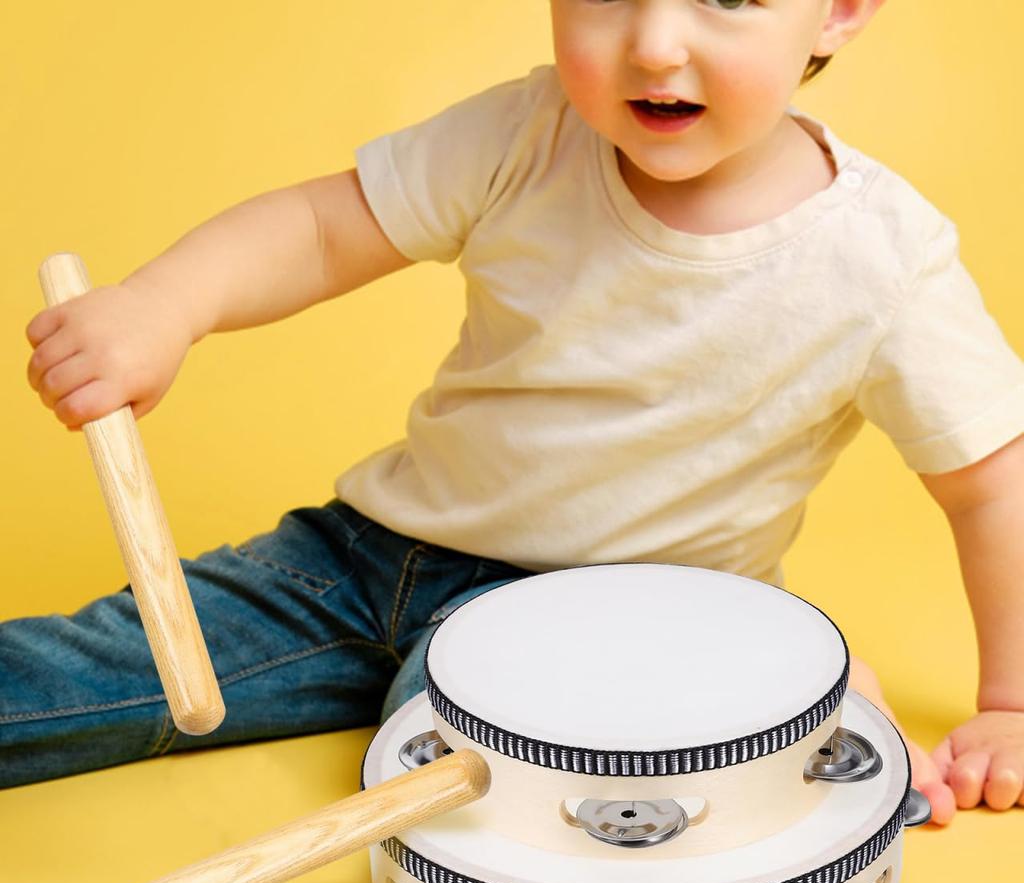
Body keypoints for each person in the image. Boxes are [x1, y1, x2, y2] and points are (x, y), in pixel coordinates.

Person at [6, 0, 1024, 825]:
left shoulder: (884, 256)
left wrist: (1012, 705)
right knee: (62, 679)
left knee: (477, 802)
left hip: (605, 624)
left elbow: (992, 482)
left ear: (838, 10)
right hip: (359, 563)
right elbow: (324, 229)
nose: (654, 42)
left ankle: (791, 709)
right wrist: (163, 306)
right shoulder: (524, 133)